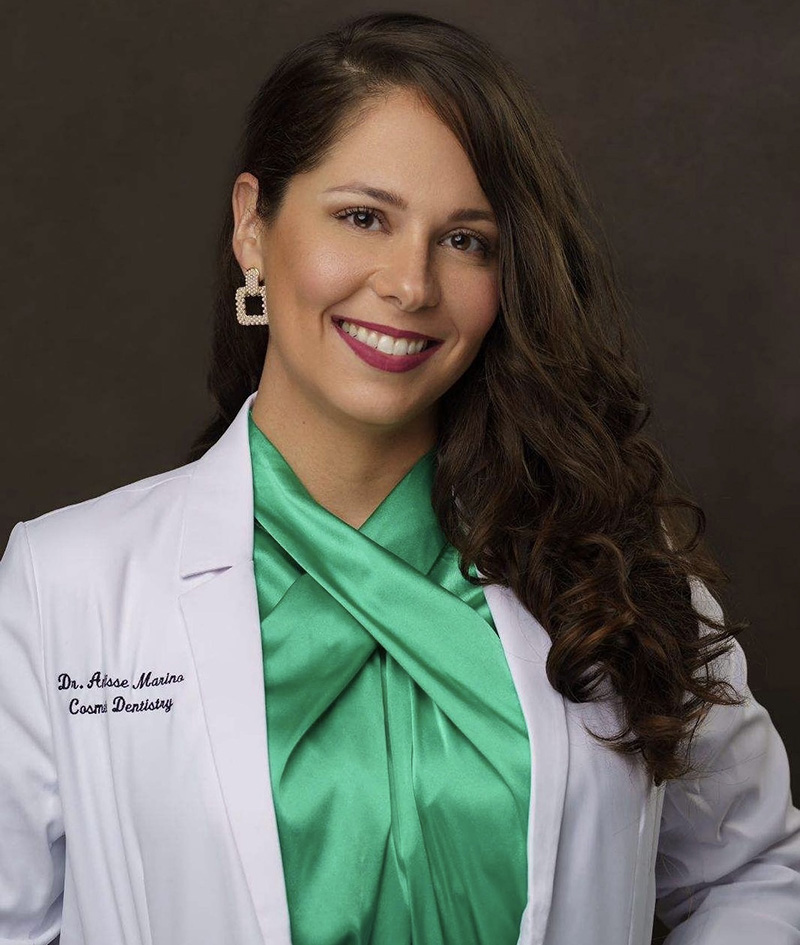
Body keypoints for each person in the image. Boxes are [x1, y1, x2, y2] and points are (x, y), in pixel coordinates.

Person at [1, 10, 798, 945]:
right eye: (363, 217)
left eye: (466, 240)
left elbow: (754, 869)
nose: (410, 284)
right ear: (253, 229)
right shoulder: (66, 582)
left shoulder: (616, 564)